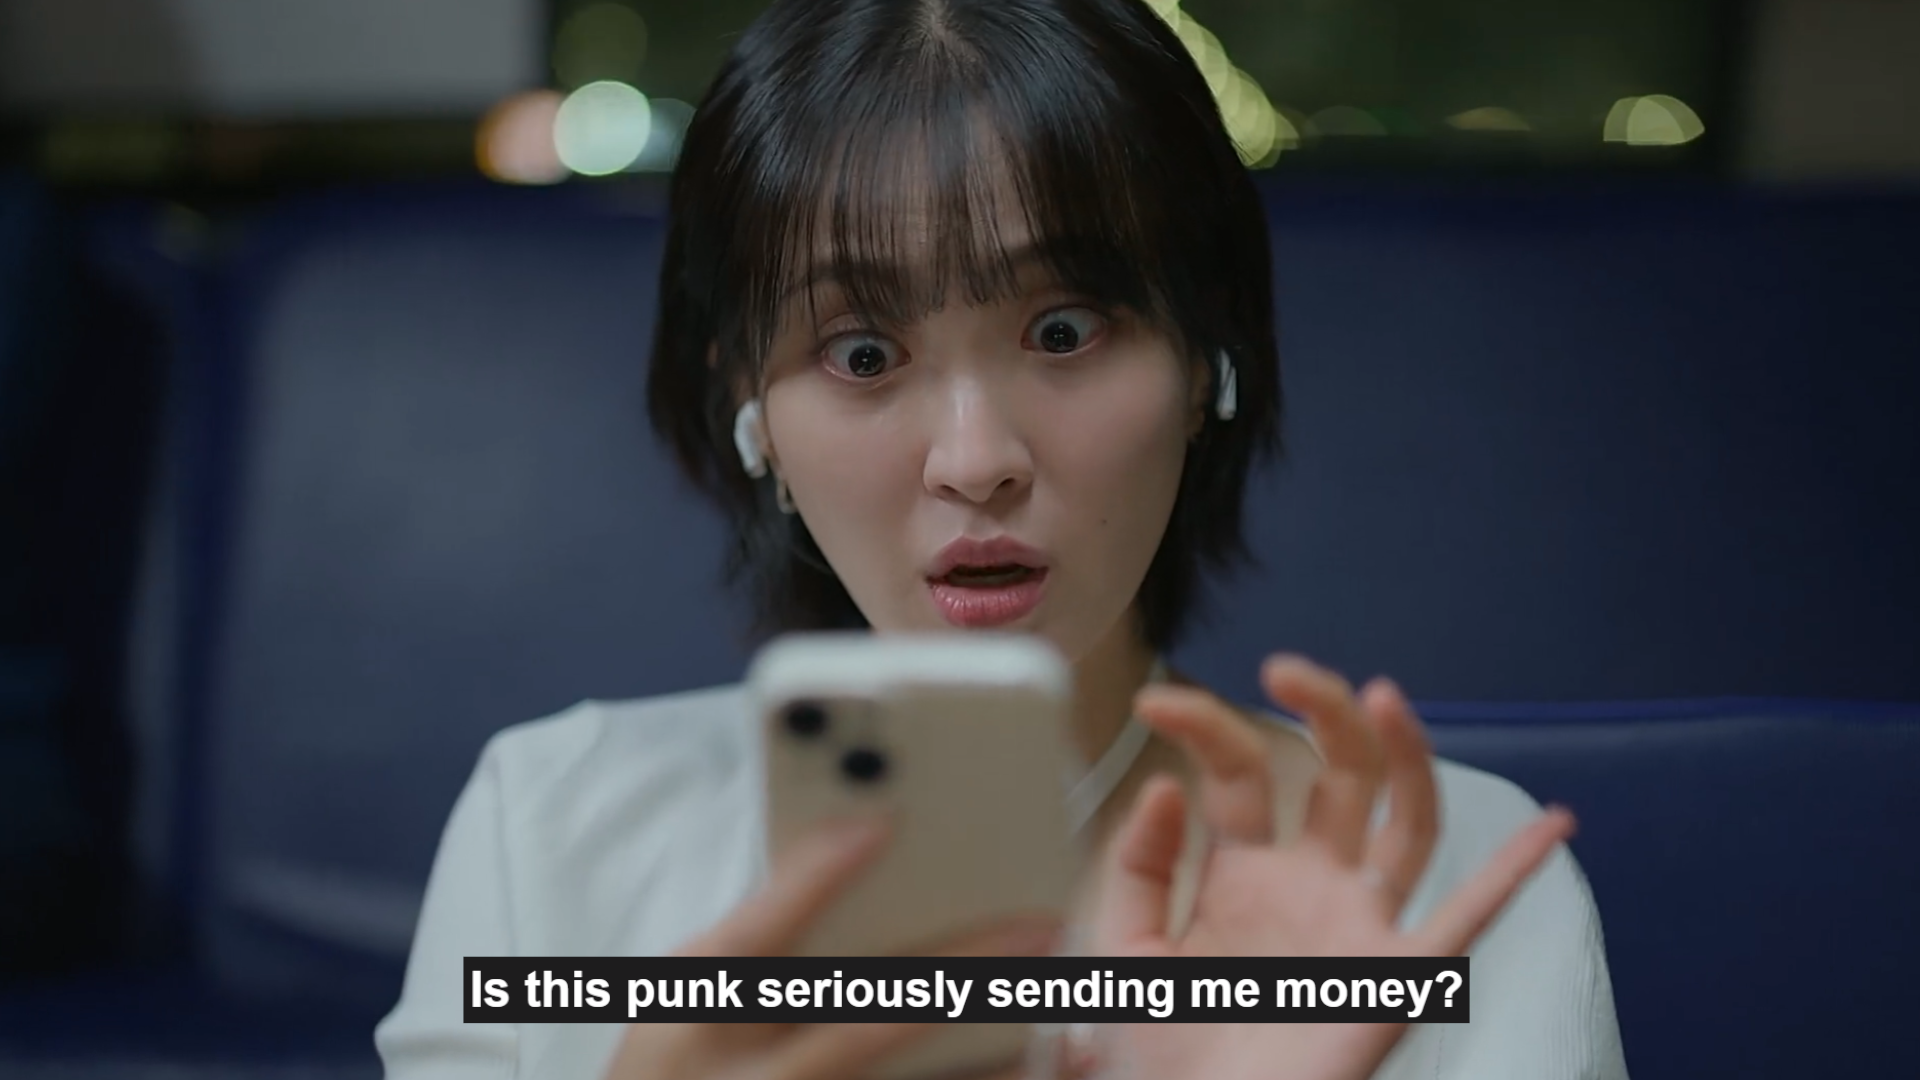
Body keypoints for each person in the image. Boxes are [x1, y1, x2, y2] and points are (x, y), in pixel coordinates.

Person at [375, 1, 1629, 1078]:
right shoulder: (550, 828)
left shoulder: (1459, 884)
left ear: (1206, 362)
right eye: (863, 353)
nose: (974, 460)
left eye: (1065, 332)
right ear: (750, 412)